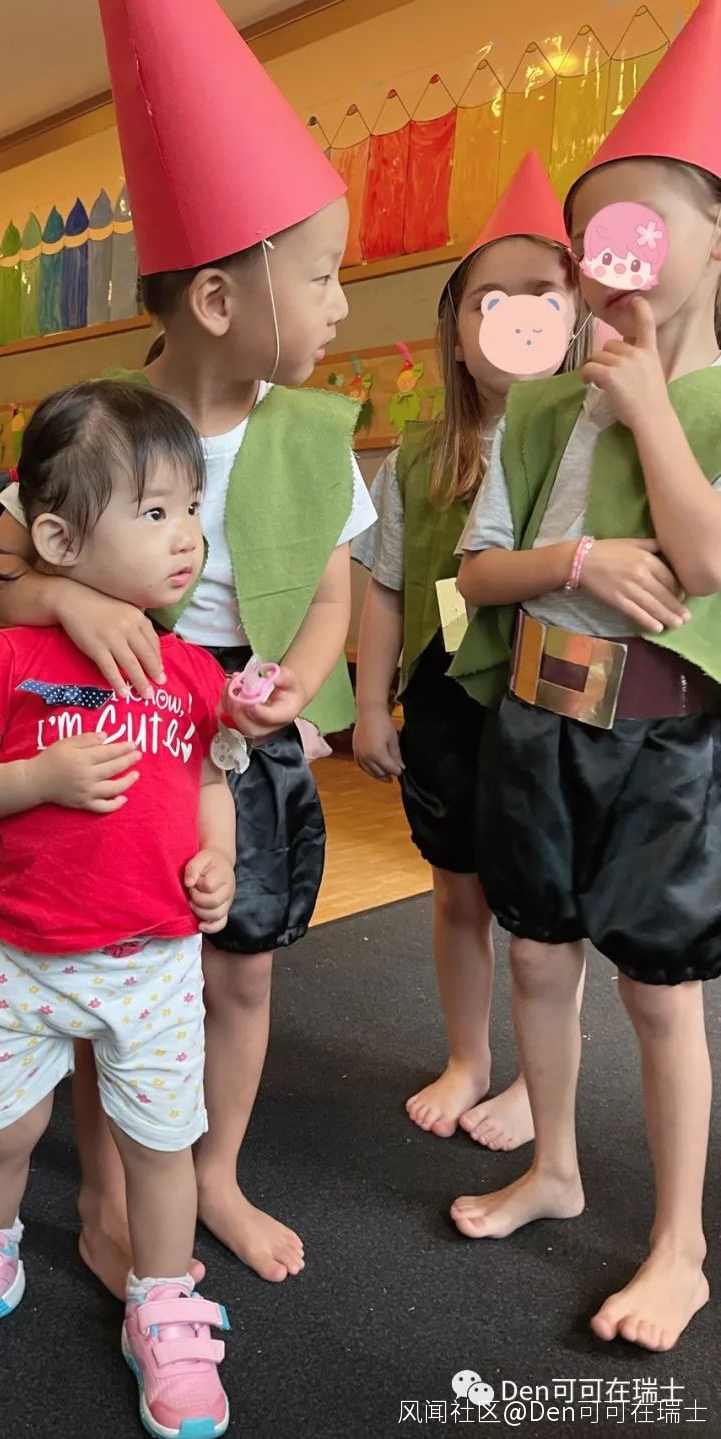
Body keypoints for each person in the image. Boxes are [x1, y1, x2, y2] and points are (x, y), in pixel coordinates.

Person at [0, 0, 375, 1293]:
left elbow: (333, 594)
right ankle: (105, 1187)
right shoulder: (105, 429)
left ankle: (214, 1174)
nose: (342, 303)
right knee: (110, 976)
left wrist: (299, 683)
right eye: (321, 276)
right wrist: (65, 603)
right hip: (113, 748)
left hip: (239, 743)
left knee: (235, 978)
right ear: (217, 296)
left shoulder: (313, 434)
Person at [448, 0, 721, 1350]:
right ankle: (555, 1162)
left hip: (665, 738)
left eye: (643, 228)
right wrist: (580, 558)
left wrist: (652, 403)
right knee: (539, 956)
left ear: (713, 241)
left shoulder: (707, 395)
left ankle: (680, 1241)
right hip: (537, 718)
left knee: (659, 988)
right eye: (591, 237)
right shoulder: (542, 403)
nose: (612, 260)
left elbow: (708, 560)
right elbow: (476, 570)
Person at [0, 380, 235, 1439]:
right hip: (23, 955)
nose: (186, 535)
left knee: (161, 1147)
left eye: (192, 507)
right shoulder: (5, 655)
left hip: (154, 961)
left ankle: (163, 1301)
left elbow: (209, 780)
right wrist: (35, 778)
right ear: (58, 538)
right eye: (155, 510)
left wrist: (219, 856)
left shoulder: (189, 670)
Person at [353, 152, 586, 1151]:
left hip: (553, 697)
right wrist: (371, 703)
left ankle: (539, 1078)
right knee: (457, 886)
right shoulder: (418, 457)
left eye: (542, 295)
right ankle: (468, 1056)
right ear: (455, 329)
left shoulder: (589, 442)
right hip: (447, 696)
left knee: (542, 903)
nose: (516, 317)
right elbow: (386, 585)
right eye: (492, 299)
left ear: (575, 317)